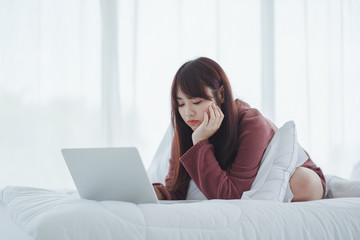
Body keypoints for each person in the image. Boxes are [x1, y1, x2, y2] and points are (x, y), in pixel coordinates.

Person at [153, 57, 325, 202]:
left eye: (197, 102)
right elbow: (176, 188)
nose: (188, 112)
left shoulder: (252, 123)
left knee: (303, 183)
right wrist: (155, 193)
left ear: (221, 95)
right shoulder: (187, 126)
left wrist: (200, 143)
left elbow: (231, 195)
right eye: (181, 104)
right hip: (240, 182)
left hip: (288, 175)